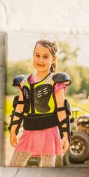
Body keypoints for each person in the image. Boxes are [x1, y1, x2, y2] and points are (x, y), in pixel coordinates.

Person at [8, 38, 71, 168]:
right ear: (33, 56)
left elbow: (61, 110)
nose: (40, 60)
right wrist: (13, 130)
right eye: (37, 55)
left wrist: (65, 135)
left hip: (49, 133)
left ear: (53, 59)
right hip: (28, 132)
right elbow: (19, 108)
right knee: (14, 166)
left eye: (45, 57)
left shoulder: (56, 81)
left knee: (47, 171)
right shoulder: (24, 82)